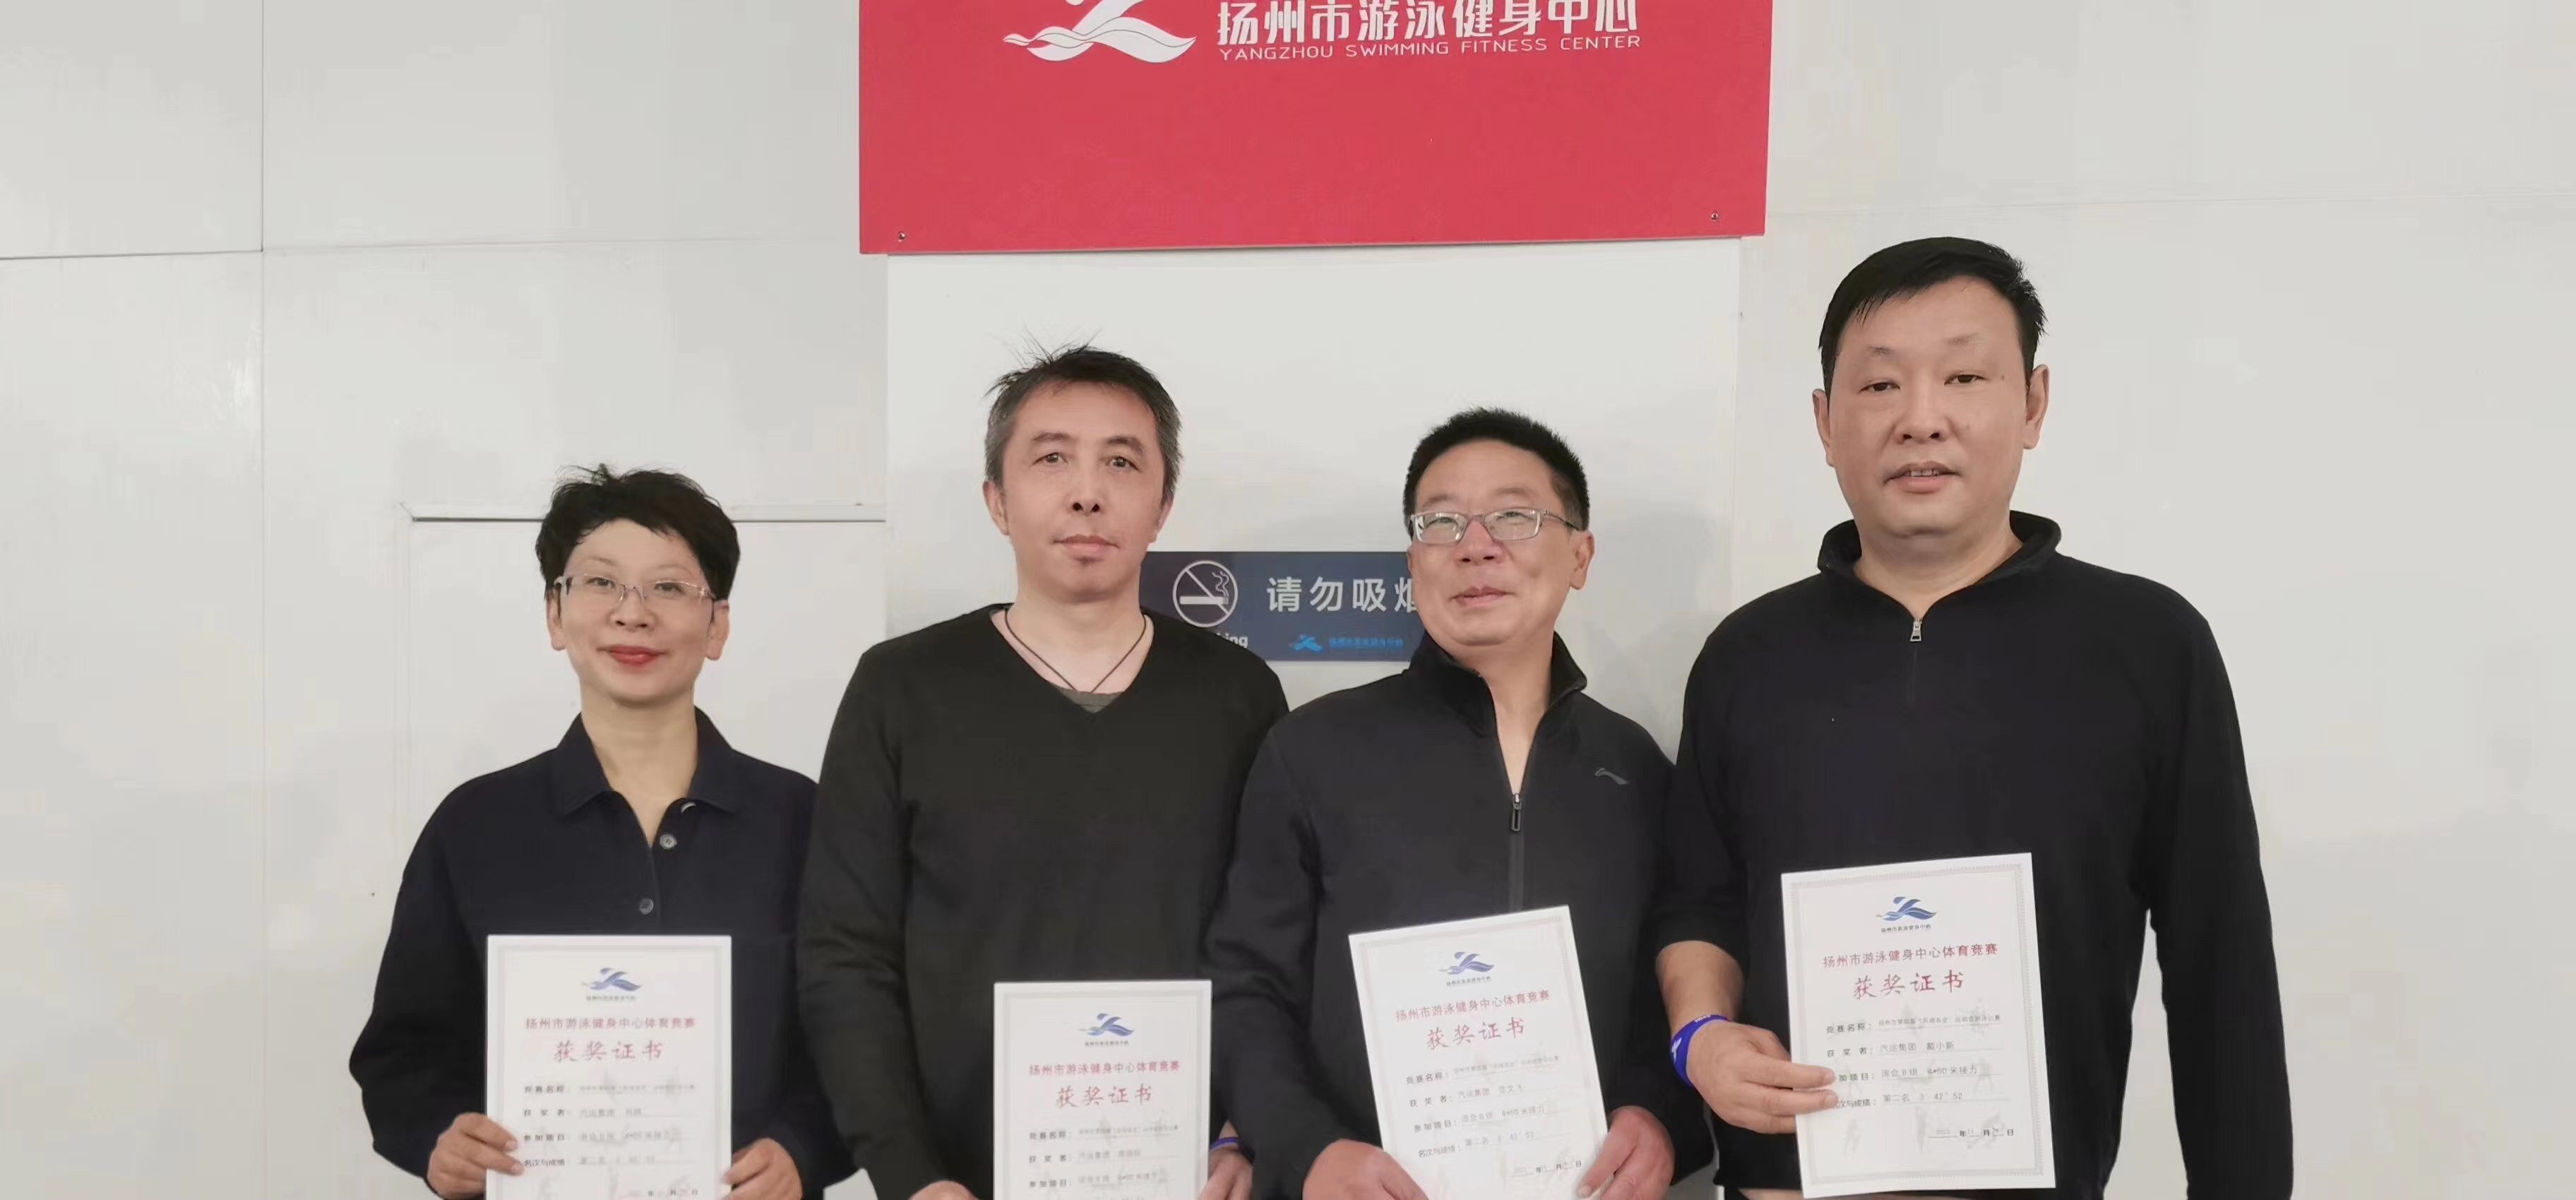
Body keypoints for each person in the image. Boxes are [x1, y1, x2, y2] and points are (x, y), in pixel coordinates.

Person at [1653, 237, 2293, 1200]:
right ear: (1825, 422)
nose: (1922, 418)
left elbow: (2220, 961)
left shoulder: (2148, 644)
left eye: (1963, 376)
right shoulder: (1749, 655)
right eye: (1879, 385)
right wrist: (1700, 1034)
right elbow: (1698, 901)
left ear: (2033, 403)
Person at [798, 346, 1288, 1200]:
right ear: (997, 499)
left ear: (1163, 505)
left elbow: (1274, 944)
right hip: (961, 1181)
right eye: (1052, 458)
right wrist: (910, 1175)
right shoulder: (902, 687)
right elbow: (847, 954)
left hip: (1190, 1176)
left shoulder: (1238, 694)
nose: (1087, 492)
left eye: (1122, 462)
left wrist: (1248, 1130)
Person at [1206, 410, 1712, 1200]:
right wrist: (1308, 1152)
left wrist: (1658, 1117)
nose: (1475, 546)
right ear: (1414, 560)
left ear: (1580, 554)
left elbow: (1669, 987)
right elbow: (1248, 987)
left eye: (1514, 516)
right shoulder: (1312, 751)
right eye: (1441, 522)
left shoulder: (1634, 768)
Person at [350, 466, 853, 1200]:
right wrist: (438, 1138)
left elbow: (859, 1038)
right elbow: (402, 1055)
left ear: (717, 625)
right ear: (555, 614)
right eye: (601, 583)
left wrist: (802, 1150)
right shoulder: (475, 826)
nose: (632, 613)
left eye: (669, 587)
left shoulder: (803, 820)